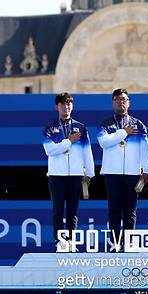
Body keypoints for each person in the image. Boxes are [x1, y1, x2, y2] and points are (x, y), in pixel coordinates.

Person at [97, 88, 148, 251]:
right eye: (118, 99)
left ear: (129, 103)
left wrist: (147, 169)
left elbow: (145, 148)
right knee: (114, 210)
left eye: (125, 99)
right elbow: (104, 142)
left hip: (133, 173)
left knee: (130, 211)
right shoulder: (105, 124)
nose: (122, 102)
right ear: (113, 102)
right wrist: (123, 133)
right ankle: (115, 244)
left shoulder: (138, 124)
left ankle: (129, 245)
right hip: (112, 173)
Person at [42, 93, 95, 251]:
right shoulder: (49, 128)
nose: (67, 107)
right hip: (56, 176)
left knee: (73, 211)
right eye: (63, 104)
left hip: (76, 176)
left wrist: (90, 173)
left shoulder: (81, 127)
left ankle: (71, 241)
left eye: (69, 104)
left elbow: (87, 151)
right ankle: (60, 242)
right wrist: (68, 141)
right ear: (57, 107)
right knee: (58, 210)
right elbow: (49, 150)